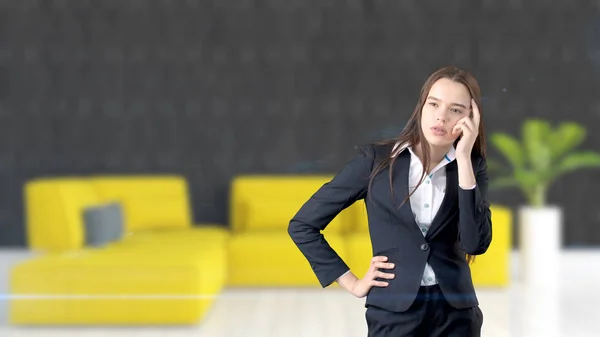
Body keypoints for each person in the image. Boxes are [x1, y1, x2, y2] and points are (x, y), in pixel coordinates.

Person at [288, 65, 491, 337]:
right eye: (434, 104)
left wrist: (464, 158)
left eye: (455, 109)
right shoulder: (377, 161)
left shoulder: (472, 167)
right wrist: (351, 283)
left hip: (456, 316)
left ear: (471, 116)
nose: (441, 117)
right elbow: (303, 225)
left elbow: (475, 244)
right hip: (393, 314)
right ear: (421, 106)